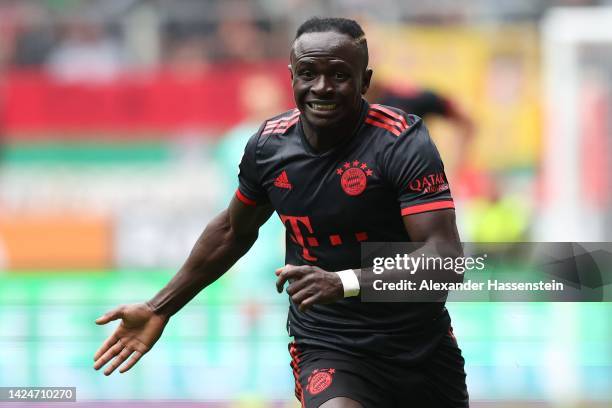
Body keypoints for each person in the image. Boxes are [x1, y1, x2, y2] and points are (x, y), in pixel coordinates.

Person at [93, 17, 469, 408]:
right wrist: (159, 307)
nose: (321, 87)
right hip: (328, 344)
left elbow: (444, 259)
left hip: (420, 346)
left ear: (365, 80)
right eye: (308, 73)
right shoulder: (269, 148)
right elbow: (232, 231)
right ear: (292, 76)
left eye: (339, 75)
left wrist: (343, 281)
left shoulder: (402, 143)